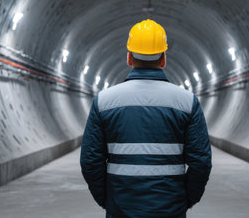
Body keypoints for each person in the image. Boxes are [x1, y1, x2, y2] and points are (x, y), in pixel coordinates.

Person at [80, 19, 212, 218]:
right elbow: (201, 162)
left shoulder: (104, 101)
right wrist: (186, 199)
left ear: (129, 57)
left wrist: (108, 199)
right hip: (170, 207)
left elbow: (90, 161)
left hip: (121, 207)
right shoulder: (187, 102)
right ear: (163, 59)